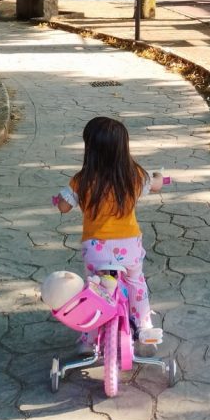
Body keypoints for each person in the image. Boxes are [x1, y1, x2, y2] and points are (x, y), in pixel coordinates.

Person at [52, 116, 164, 347]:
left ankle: (90, 338)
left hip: (96, 250)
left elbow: (63, 206)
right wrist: (160, 177)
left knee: (95, 290)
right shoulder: (135, 176)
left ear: (90, 149)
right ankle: (145, 328)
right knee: (136, 283)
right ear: (123, 148)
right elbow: (156, 185)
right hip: (129, 247)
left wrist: (58, 201)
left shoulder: (81, 181)